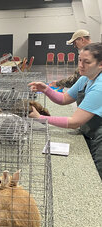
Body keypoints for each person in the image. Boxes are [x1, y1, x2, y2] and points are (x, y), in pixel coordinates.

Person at [29, 42, 102, 180]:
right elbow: (64, 98)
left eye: (87, 62)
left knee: (97, 178)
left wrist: (40, 118)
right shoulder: (86, 78)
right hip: (89, 132)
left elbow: (75, 122)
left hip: (99, 139)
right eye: (80, 60)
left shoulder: (99, 87)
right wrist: (46, 89)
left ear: (100, 64)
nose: (80, 65)